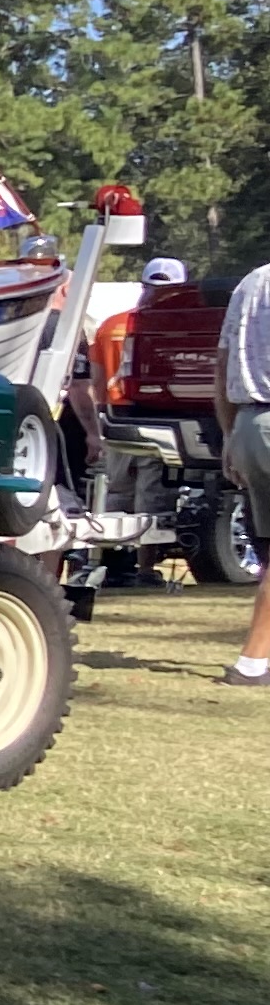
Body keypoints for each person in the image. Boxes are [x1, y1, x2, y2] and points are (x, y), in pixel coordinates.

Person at [221, 254, 270, 689]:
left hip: (248, 424)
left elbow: (220, 364)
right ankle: (252, 662)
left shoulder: (251, 282)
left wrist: (228, 435)